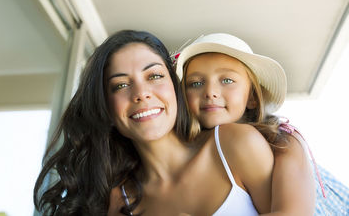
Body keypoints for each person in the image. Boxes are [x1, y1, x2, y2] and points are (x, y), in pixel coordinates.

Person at [34, 30, 276, 215]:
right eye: (121, 85)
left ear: (175, 86)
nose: (141, 93)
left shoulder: (234, 144)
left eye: (155, 76)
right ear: (105, 108)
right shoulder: (120, 201)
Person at [174, 33, 318, 215]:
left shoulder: (283, 141)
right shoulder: (182, 153)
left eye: (227, 80)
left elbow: (294, 213)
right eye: (195, 83)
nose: (210, 92)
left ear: (252, 97)